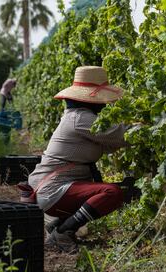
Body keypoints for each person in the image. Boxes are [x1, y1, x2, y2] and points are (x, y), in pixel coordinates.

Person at [24, 66, 131, 252]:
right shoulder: (81, 119)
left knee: (107, 189)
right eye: (101, 99)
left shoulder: (77, 116)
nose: (104, 104)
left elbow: (110, 143)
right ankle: (64, 231)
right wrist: (153, 126)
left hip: (50, 187)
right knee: (111, 193)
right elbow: (120, 135)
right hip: (52, 190)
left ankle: (57, 226)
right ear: (90, 98)